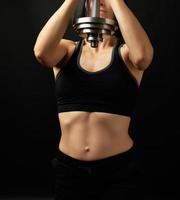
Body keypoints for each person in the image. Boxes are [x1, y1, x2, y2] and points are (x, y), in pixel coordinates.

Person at [33, 0, 154, 199]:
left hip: (118, 172)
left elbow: (143, 57)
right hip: (69, 171)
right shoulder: (67, 50)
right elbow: (41, 53)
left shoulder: (126, 55)